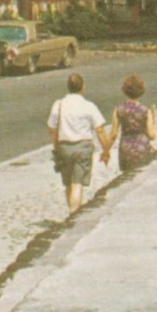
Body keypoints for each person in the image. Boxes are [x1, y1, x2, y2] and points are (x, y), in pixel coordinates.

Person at [47, 73, 111, 215]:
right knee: (77, 183)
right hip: (83, 147)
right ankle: (74, 213)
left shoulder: (59, 105)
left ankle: (73, 210)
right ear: (83, 87)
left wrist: (55, 145)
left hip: (64, 146)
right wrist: (106, 150)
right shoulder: (88, 106)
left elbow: (52, 128)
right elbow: (99, 130)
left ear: (68, 87)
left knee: (68, 183)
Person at [105, 75, 157, 171]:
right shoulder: (145, 111)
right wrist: (154, 126)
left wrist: (106, 150)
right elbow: (151, 135)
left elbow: (113, 134)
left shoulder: (119, 109)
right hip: (142, 148)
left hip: (125, 149)